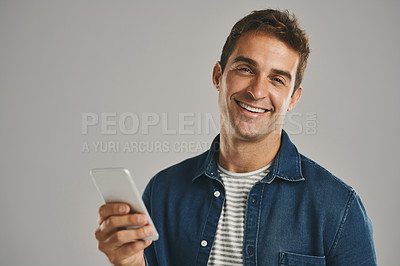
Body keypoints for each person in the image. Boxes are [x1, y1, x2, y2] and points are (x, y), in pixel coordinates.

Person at [95, 9, 377, 265]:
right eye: (245, 69)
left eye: (277, 79)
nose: (256, 91)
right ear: (218, 76)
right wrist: (129, 262)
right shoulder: (163, 191)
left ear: (293, 98)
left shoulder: (338, 207)